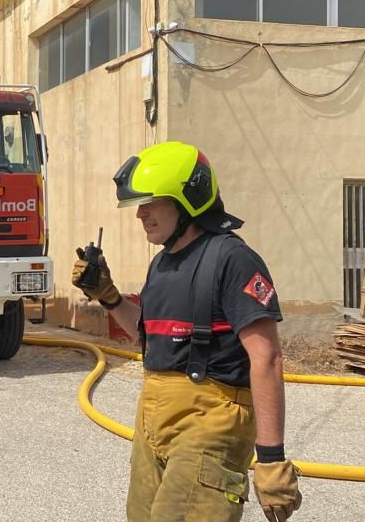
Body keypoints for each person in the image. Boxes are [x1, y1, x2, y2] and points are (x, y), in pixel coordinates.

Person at [72, 142, 302, 522]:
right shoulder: (162, 263)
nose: (140, 214)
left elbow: (267, 358)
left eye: (151, 202)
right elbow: (151, 338)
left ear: (188, 199)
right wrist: (108, 296)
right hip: (154, 415)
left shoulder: (232, 259)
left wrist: (271, 456)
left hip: (211, 420)